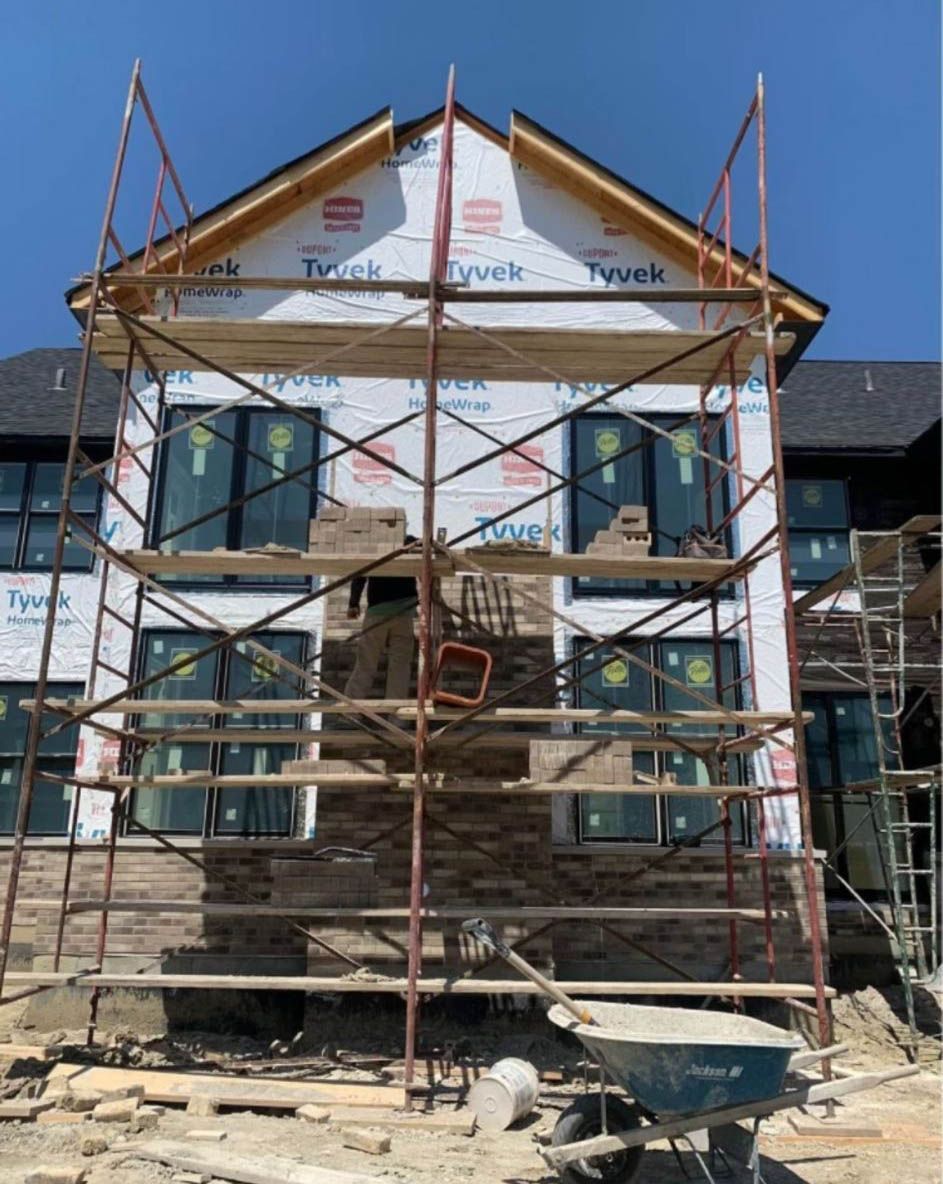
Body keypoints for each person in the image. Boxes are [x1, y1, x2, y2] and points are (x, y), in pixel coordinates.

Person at [344, 536, 418, 702]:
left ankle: (350, 712)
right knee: (400, 667)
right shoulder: (408, 545)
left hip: (379, 613)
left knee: (366, 663)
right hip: (403, 612)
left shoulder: (376, 548)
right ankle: (396, 718)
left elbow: (360, 576)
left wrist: (353, 604)